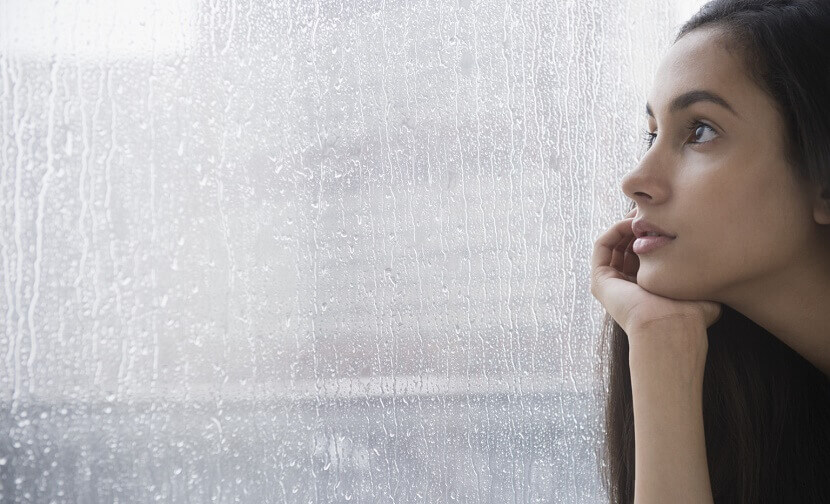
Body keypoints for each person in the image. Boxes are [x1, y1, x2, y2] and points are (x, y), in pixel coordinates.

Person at [589, 0, 830, 502]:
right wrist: (659, 339)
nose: (635, 181)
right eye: (650, 134)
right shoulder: (774, 422)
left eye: (699, 131)